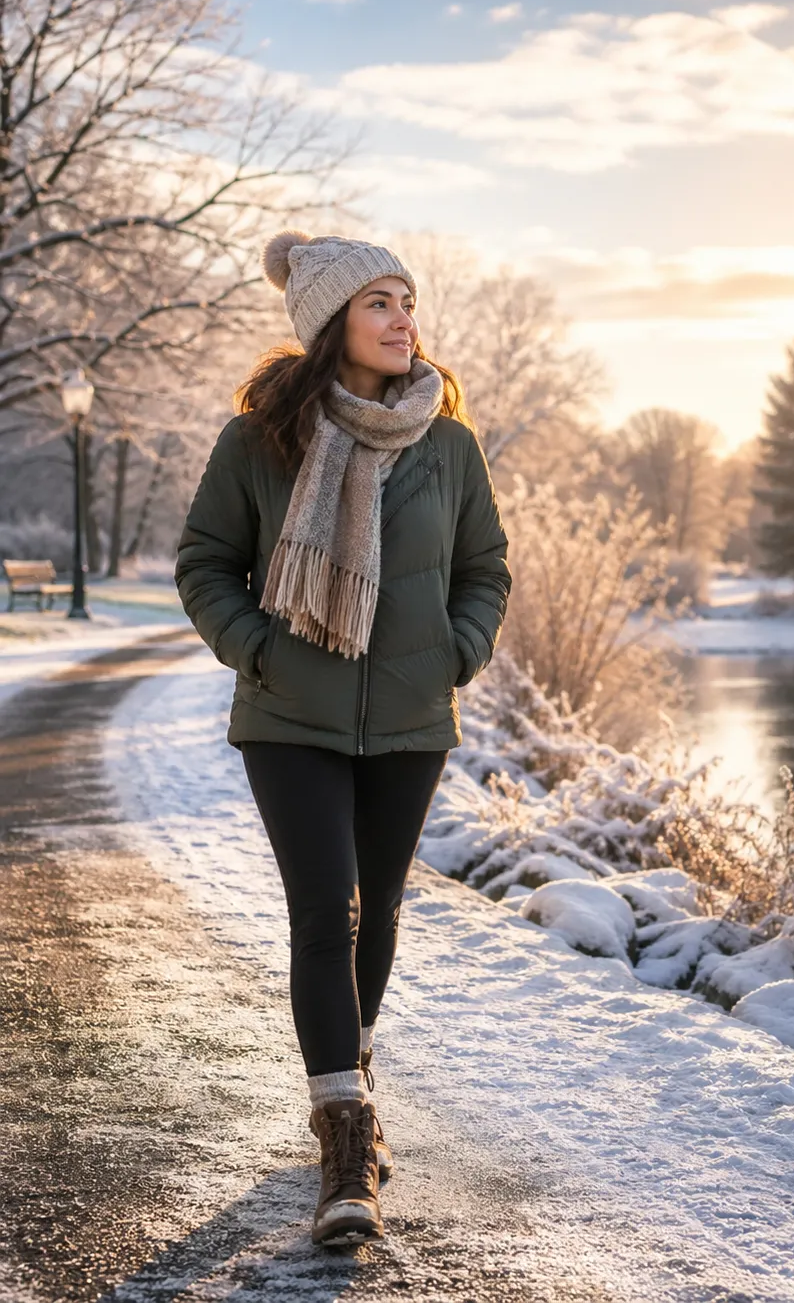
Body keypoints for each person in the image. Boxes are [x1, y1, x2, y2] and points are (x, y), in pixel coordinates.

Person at [175, 231, 511, 1246]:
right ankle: (346, 1138)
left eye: (407, 299)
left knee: (380, 915)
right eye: (379, 302)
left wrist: (454, 652)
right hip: (289, 718)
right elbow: (204, 562)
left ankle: (346, 1077)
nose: (404, 318)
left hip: (412, 720)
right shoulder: (261, 439)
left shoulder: (447, 444)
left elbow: (485, 568)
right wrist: (260, 652)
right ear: (331, 323)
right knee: (328, 913)